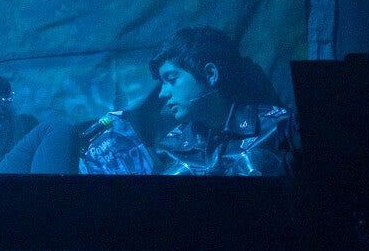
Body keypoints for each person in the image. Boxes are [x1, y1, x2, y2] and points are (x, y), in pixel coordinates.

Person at [80, 26, 290, 176]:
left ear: (210, 74)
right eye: (162, 83)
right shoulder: (172, 147)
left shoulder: (278, 128)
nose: (162, 94)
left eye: (171, 79)